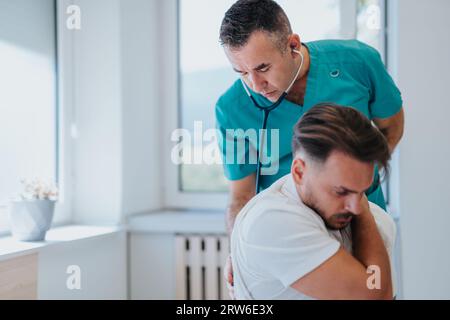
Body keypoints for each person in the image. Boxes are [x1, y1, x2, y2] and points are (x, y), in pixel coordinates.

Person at [216, 0, 404, 235]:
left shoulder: (357, 62)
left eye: (263, 68)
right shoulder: (231, 110)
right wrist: (238, 248)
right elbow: (241, 196)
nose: (255, 85)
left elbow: (392, 126)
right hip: (292, 232)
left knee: (372, 273)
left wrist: (357, 179)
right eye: (242, 72)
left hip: (363, 214)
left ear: (292, 44)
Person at [231, 103, 396, 299]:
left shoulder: (377, 219)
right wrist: (364, 212)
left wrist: (364, 209)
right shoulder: (271, 220)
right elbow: (374, 294)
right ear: (299, 172)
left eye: (362, 191)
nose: (355, 207)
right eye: (341, 191)